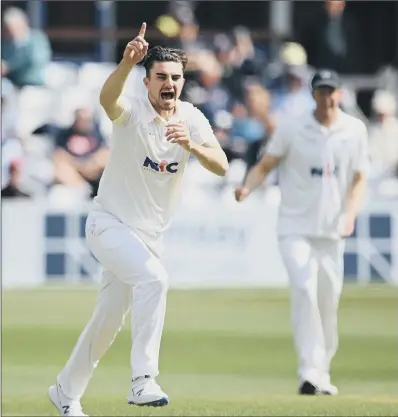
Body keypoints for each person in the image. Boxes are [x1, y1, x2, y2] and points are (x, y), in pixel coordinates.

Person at [48, 23, 228, 416]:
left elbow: (222, 166)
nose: (169, 84)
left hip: (148, 238)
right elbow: (107, 99)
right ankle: (143, 379)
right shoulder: (131, 111)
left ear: (183, 82)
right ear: (147, 82)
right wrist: (127, 62)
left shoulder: (192, 118)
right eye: (161, 77)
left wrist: (191, 145)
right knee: (155, 280)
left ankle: (65, 390)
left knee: (107, 323)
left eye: (175, 78)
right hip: (108, 225)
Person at [235, 69, 369, 395]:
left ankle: (322, 370)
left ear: (340, 94)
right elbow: (266, 165)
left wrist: (350, 214)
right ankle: (308, 370)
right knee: (305, 288)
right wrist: (247, 187)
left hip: (331, 229)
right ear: (313, 95)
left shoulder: (354, 130)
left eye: (332, 91)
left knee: (327, 301)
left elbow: (359, 178)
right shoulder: (292, 128)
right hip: (294, 226)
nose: (327, 97)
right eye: (321, 91)